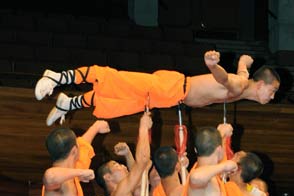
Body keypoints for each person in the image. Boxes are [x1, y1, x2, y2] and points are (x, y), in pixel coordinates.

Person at [34, 50, 280, 126]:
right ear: (262, 85)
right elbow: (226, 80)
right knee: (116, 80)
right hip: (172, 88)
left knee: (119, 102)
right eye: (273, 90)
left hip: (172, 96)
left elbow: (240, 73)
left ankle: (67, 102)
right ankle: (57, 77)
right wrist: (212, 65)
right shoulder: (238, 86)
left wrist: (244, 62)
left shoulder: (245, 82)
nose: (273, 96)